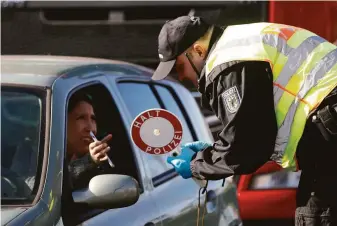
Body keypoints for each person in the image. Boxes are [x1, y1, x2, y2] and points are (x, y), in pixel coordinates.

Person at [152, 16, 337, 225]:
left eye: (179, 68)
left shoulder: (226, 62)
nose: (182, 78)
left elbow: (247, 146)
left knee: (318, 216)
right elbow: (257, 133)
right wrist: (217, 151)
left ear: (198, 51)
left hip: (329, 125)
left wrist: (198, 164)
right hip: (328, 123)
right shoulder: (241, 42)